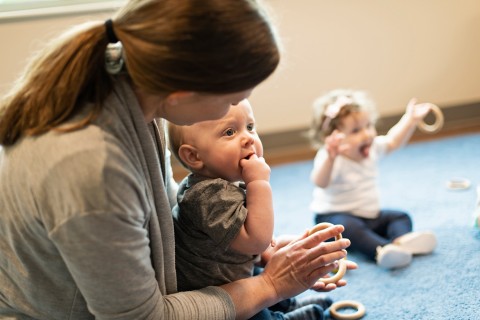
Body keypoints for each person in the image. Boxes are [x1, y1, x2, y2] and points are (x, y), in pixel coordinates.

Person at [0, 1, 352, 319]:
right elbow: (140, 318)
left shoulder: (139, 100)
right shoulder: (90, 170)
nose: (242, 106)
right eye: (234, 97)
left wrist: (259, 250)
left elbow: (166, 214)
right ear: (183, 93)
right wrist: (272, 286)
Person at [168, 99, 335, 320]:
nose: (248, 138)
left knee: (262, 269)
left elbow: (251, 237)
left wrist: (270, 251)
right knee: (254, 309)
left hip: (231, 268)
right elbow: (256, 241)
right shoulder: (207, 196)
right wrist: (260, 184)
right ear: (194, 156)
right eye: (229, 132)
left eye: (249, 127)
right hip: (214, 293)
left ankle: (286, 304)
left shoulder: (224, 181)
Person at [307, 89, 437, 269]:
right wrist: (330, 157)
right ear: (333, 138)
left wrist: (410, 120)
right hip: (334, 218)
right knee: (350, 228)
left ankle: (401, 242)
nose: (367, 134)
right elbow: (320, 181)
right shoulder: (331, 157)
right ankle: (382, 250)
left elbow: (393, 141)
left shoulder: (372, 147)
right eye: (356, 131)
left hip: (369, 214)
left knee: (400, 217)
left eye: (368, 126)